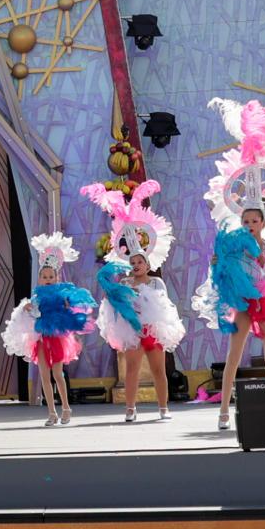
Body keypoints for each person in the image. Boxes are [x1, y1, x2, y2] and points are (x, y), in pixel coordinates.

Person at [192, 98, 265, 432]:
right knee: (235, 353)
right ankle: (223, 410)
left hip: (263, 299)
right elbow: (224, 272)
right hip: (242, 301)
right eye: (246, 220)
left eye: (255, 220)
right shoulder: (232, 244)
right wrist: (218, 263)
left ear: (263, 222)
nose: (250, 224)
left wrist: (260, 254)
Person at [81, 178, 185, 422]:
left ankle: (163, 408)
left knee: (159, 370)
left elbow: (165, 309)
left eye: (140, 261)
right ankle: (130, 408)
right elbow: (113, 306)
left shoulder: (156, 283)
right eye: (133, 262)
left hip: (152, 330)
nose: (136, 265)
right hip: (131, 332)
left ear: (148, 264)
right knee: (132, 370)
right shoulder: (125, 284)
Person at [2, 233, 96, 426]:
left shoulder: (62, 294)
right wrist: (28, 309)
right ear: (39, 279)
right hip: (41, 338)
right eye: (44, 277)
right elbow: (34, 315)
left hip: (57, 338)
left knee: (57, 374)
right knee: (44, 375)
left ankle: (66, 408)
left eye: (51, 277)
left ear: (57, 277)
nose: (48, 280)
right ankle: (52, 412)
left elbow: (71, 310)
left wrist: (68, 306)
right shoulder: (36, 297)